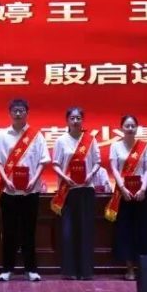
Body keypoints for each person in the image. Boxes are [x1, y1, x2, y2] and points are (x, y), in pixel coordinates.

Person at [0, 98, 52, 282]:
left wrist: (34, 180)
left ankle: (30, 269)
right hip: (9, 191)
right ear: (10, 113)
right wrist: (5, 179)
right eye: (15, 110)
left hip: (30, 191)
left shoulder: (36, 136)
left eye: (21, 110)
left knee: (29, 232)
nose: (18, 113)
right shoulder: (2, 135)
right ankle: (7, 269)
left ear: (27, 113)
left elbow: (43, 161)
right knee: (9, 232)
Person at [51, 106, 101, 280]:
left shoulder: (90, 140)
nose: (75, 121)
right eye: (72, 118)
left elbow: (97, 162)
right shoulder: (61, 141)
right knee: (68, 232)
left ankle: (85, 271)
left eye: (78, 118)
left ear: (82, 120)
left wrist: (90, 175)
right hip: (68, 190)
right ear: (67, 120)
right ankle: (70, 271)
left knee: (85, 231)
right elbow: (55, 164)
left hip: (86, 189)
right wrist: (65, 178)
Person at [107, 115, 147, 281]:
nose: (130, 128)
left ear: (137, 128)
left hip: (142, 192)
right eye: (127, 126)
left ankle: (144, 268)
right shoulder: (115, 146)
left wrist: (143, 189)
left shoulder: (144, 146)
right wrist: (122, 188)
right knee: (126, 230)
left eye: (133, 126)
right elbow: (114, 168)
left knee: (144, 229)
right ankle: (129, 269)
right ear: (121, 128)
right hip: (123, 192)